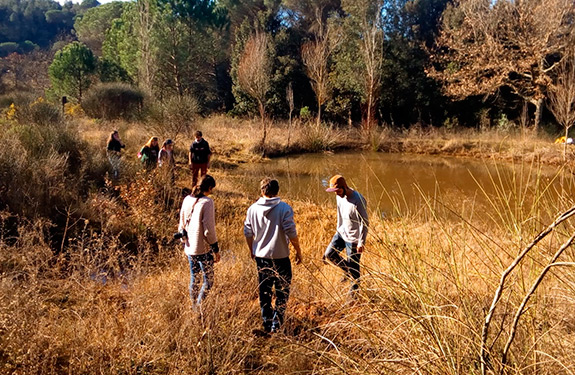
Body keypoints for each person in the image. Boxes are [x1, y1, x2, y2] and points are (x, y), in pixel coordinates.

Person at [244, 178, 302, 334]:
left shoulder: (252, 209)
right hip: (281, 257)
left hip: (261, 257)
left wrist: (252, 250)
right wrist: (298, 251)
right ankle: (277, 324)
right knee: (282, 292)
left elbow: (248, 232)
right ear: (277, 191)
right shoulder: (284, 208)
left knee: (265, 291)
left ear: (262, 191)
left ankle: (267, 323)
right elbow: (291, 232)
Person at [178, 175, 220, 307]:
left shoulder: (187, 199)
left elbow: (181, 223)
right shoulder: (207, 202)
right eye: (211, 189)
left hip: (189, 247)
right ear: (209, 188)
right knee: (208, 281)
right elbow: (209, 231)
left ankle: (193, 306)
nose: (211, 192)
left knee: (194, 278)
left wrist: (184, 241)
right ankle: (198, 309)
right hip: (203, 249)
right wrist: (216, 249)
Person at [324, 175, 368, 295]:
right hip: (341, 233)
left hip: (354, 238)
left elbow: (365, 222)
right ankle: (347, 271)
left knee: (354, 268)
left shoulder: (358, 200)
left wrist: (361, 242)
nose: (336, 194)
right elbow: (340, 214)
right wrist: (338, 230)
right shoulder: (339, 196)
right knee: (329, 254)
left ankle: (353, 297)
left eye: (338, 190)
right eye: (334, 191)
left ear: (344, 187)